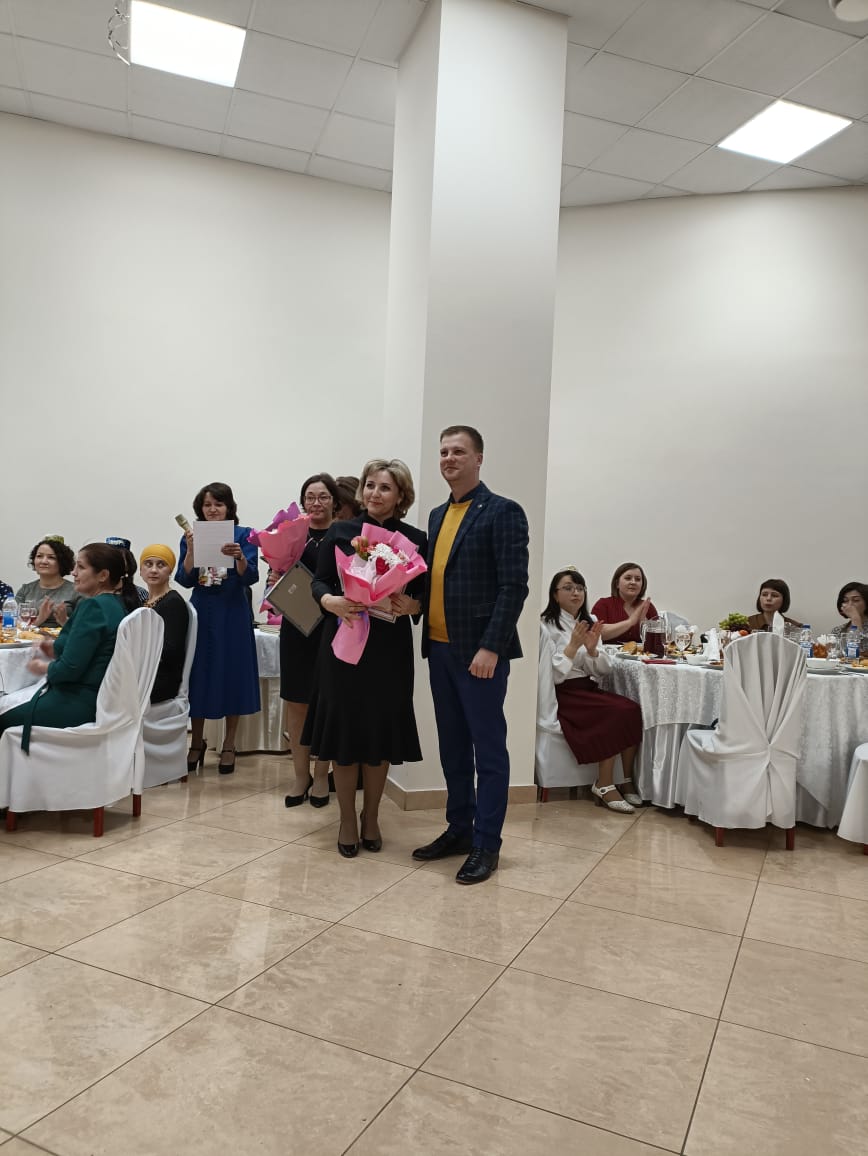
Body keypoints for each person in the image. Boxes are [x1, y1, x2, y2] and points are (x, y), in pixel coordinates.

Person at [412, 425, 529, 885]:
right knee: (453, 748)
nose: (449, 458)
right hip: (439, 649)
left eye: (458, 451)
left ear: (479, 458)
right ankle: (459, 828)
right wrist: (412, 605)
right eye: (443, 451)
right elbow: (437, 579)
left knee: (488, 751)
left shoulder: (503, 511)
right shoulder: (437, 515)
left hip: (479, 655)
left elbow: (513, 586)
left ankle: (487, 844)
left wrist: (491, 646)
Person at [302, 459, 427, 856]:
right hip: (344, 642)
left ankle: (371, 816)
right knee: (344, 734)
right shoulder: (341, 532)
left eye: (385, 487)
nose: (375, 493)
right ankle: (345, 819)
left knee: (378, 735)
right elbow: (319, 581)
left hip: (389, 650)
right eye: (370, 485)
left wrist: (413, 606)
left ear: (401, 495)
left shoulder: (416, 539)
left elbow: (424, 595)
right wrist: (330, 601)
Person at [0, 543, 138, 750]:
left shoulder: (94, 606)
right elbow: (88, 650)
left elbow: (69, 670)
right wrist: (52, 648)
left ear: (103, 575)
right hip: (101, 699)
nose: (73, 572)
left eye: (81, 567)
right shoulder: (115, 604)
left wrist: (43, 667)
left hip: (78, 701)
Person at [541, 569, 643, 813]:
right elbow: (551, 675)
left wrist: (592, 650)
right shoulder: (546, 626)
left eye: (580, 588)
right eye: (568, 588)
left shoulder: (589, 621)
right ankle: (604, 784)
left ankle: (625, 779)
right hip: (564, 693)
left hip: (586, 687)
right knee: (614, 712)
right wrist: (572, 647)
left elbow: (603, 670)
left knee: (632, 709)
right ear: (555, 594)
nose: (575, 593)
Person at [175, 482, 260, 775]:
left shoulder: (244, 534)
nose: (212, 509)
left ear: (229, 508)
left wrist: (239, 557)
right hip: (202, 609)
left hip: (232, 611)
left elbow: (251, 577)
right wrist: (191, 551)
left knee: (232, 673)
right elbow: (184, 579)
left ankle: (229, 744)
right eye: (207, 505)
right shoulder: (191, 535)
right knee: (198, 673)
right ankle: (196, 742)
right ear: (200, 508)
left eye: (219, 504)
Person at [280, 472, 340, 808]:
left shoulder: (344, 535)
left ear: (334, 501)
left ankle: (321, 776)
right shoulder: (291, 535)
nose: (316, 503)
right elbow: (281, 573)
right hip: (296, 625)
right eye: (310, 497)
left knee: (326, 703)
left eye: (323, 497)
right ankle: (300, 776)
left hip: (332, 627)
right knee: (296, 701)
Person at [139, 544, 189, 704]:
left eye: (161, 565)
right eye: (148, 564)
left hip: (160, 678)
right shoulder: (146, 600)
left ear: (170, 571)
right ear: (140, 570)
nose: (154, 570)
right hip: (146, 672)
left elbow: (171, 650)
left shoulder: (173, 602)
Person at [15, 537, 76, 627]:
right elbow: (14, 626)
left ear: (62, 562)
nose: (43, 561)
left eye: (51, 557)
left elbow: (85, 628)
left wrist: (64, 621)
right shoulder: (25, 590)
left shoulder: (76, 591)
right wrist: (40, 619)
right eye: (39, 556)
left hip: (64, 635)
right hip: (29, 635)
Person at [591, 563, 658, 644]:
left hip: (641, 652)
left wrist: (645, 625)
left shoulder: (648, 607)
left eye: (637, 579)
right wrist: (630, 622)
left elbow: (658, 640)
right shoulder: (603, 604)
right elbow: (596, 633)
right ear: (617, 584)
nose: (633, 582)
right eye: (628, 578)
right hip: (608, 652)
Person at [105, 537, 148, 603]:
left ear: (128, 564)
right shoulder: (93, 592)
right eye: (109, 558)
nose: (113, 563)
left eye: (118, 558)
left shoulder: (140, 594)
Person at [833, 581, 868, 648]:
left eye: (856, 600)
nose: (850, 604)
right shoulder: (837, 630)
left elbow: (861, 650)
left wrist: (855, 618)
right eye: (845, 601)